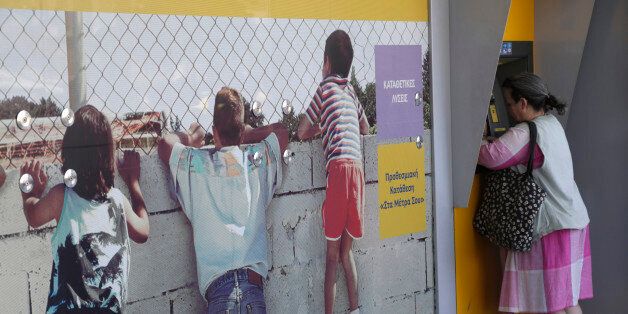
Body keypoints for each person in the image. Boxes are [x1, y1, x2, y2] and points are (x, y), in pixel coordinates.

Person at [157, 87, 288, 313]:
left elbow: (164, 144)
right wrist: (248, 133)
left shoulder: (197, 165)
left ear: (214, 132)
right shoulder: (256, 161)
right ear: (241, 131)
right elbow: (282, 132)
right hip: (253, 288)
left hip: (219, 292)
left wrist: (192, 137)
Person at [478, 73, 592, 314]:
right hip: (573, 220)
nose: (507, 110)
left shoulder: (526, 132)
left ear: (523, 103)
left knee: (541, 304)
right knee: (567, 301)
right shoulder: (552, 125)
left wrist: (475, 142)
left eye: (508, 103)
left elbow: (492, 157)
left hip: (550, 229)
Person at [20, 105, 150, 313]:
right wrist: (134, 183)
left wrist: (29, 192)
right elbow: (143, 232)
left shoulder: (61, 197)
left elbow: (33, 216)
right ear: (108, 153)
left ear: (68, 152)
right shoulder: (117, 200)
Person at [297, 29, 370, 314]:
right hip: (358, 172)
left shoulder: (325, 88)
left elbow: (302, 131)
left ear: (326, 62)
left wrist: (322, 127)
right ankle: (355, 309)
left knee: (331, 256)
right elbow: (365, 128)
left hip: (338, 171)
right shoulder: (351, 91)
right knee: (346, 252)